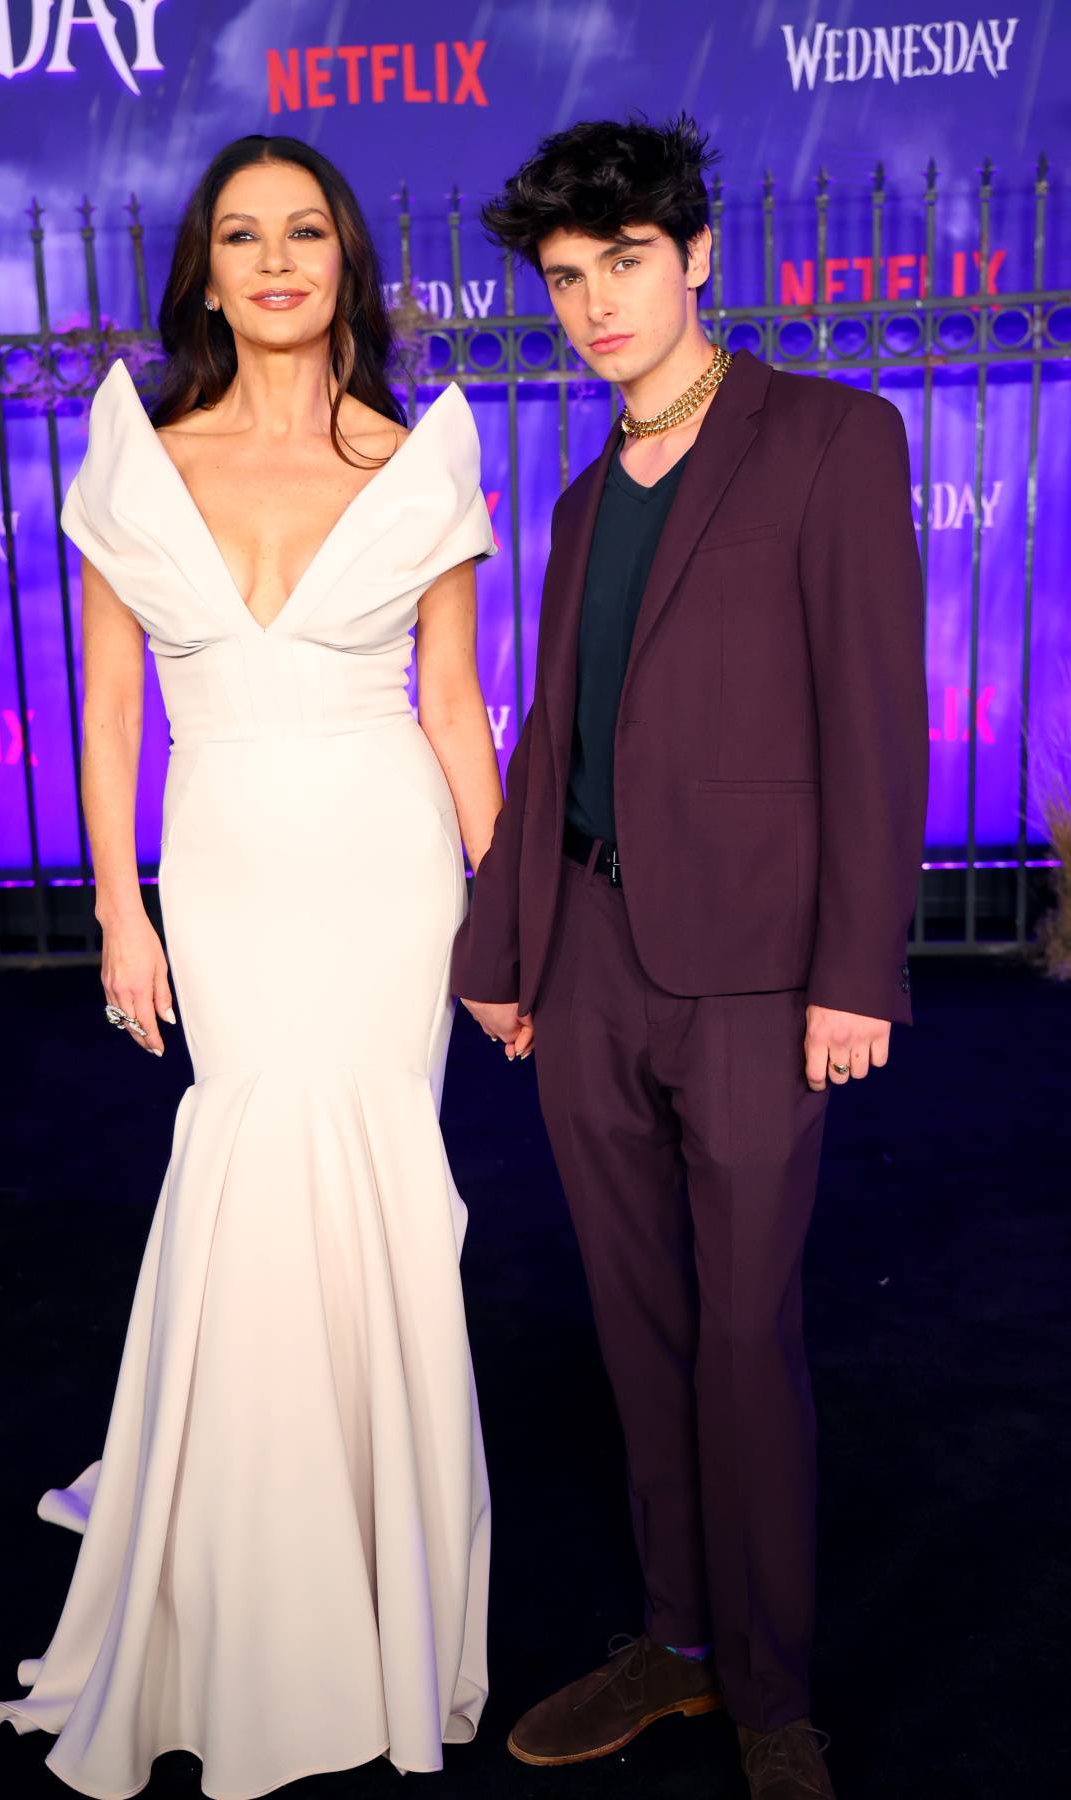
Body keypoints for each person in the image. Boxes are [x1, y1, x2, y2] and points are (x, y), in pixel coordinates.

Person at [0, 134, 503, 1798]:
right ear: (204, 273)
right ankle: (251, 1593)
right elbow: (111, 707)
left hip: (386, 869)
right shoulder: (138, 460)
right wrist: (119, 907)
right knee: (248, 1175)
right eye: (240, 235)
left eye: (303, 231)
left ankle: (384, 1594)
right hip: (220, 871)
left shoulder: (422, 455)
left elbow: (449, 704)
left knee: (376, 1196)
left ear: (344, 259)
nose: (275, 259)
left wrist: (510, 916)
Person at [453, 115, 929, 1800]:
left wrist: (856, 972)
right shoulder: (582, 495)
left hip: (753, 975)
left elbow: (875, 723)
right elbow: (558, 735)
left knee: (745, 1338)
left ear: (697, 253)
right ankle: (677, 1645)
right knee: (635, 1331)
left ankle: (776, 1699)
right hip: (586, 961)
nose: (593, 305)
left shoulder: (830, 441)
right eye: (567, 280)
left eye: (625, 265)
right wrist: (506, 948)